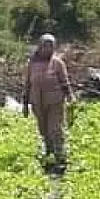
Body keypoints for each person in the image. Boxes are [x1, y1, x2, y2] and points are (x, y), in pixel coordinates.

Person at [23, 34, 75, 169]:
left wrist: (70, 97)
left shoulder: (57, 63)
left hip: (55, 101)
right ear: (40, 47)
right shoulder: (32, 63)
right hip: (37, 102)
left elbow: (65, 82)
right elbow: (27, 84)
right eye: (45, 46)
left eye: (51, 46)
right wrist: (25, 103)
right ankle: (49, 153)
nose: (48, 49)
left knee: (55, 129)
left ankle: (61, 156)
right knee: (43, 129)